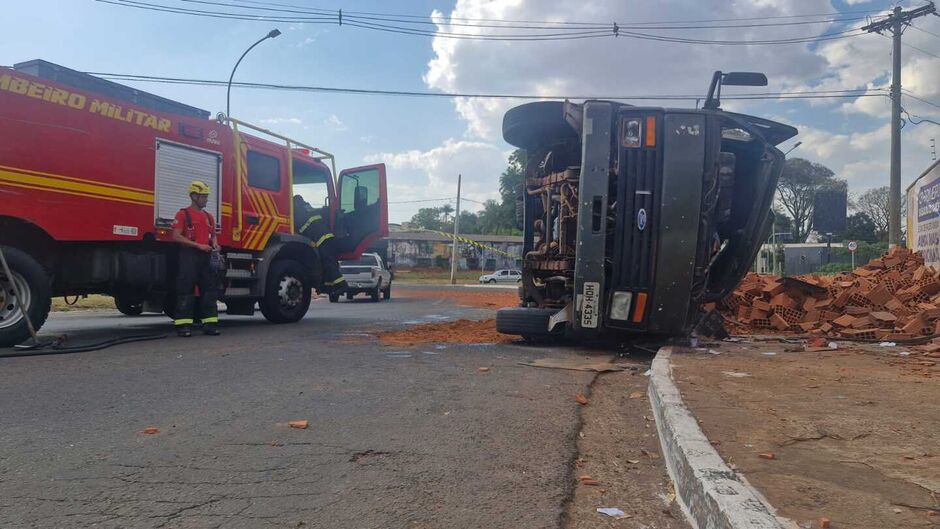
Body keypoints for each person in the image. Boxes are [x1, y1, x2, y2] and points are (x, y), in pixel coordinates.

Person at [171, 180, 221, 337]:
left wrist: (215, 244)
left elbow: (213, 236)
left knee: (209, 291)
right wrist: (198, 245)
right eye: (203, 196)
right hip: (189, 256)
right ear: (194, 196)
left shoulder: (209, 216)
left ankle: (210, 324)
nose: (206, 199)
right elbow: (176, 236)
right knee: (185, 290)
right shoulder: (182, 214)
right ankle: (183, 326)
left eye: (206, 196)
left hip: (206, 257)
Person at [292, 195, 346, 294]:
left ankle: (342, 285)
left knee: (328, 262)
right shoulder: (310, 209)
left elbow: (295, 227)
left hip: (322, 240)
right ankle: (328, 287)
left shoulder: (297, 213)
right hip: (329, 238)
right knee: (327, 263)